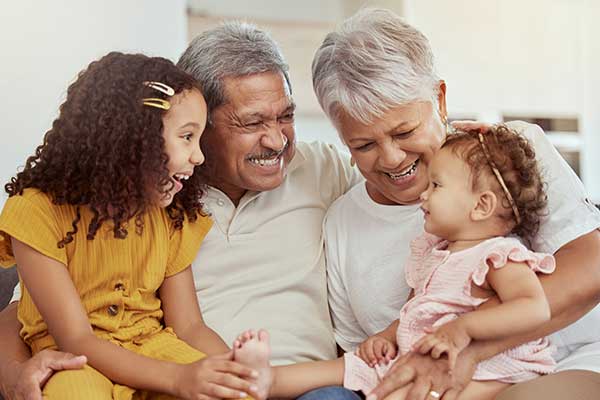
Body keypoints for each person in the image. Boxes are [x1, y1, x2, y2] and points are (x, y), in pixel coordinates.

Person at [0, 23, 364, 400]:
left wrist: (241, 378)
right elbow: (28, 311)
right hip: (154, 370)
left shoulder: (324, 169)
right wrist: (11, 371)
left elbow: (408, 200)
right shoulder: (161, 195)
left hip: (290, 385)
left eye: (285, 116)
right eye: (252, 122)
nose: (276, 140)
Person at [313, 8, 600, 400]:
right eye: (363, 145)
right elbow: (360, 355)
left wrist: (467, 347)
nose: (392, 158)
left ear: (440, 100)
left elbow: (592, 266)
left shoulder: (505, 155)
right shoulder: (341, 224)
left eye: (405, 131)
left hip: (563, 363)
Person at [226, 126, 558, 400]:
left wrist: (461, 329)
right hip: (413, 356)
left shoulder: (498, 255)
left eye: (436, 186)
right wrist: (386, 335)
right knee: (348, 366)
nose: (424, 195)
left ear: (482, 206)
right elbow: (414, 311)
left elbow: (534, 307)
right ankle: (264, 379)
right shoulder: (435, 252)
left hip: (485, 370)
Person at [0, 52, 260, 399]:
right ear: (134, 139)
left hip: (155, 348)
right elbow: (77, 339)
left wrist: (230, 372)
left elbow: (189, 326)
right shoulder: (35, 212)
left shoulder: (170, 215)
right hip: (77, 360)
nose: (198, 157)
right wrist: (178, 378)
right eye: (186, 137)